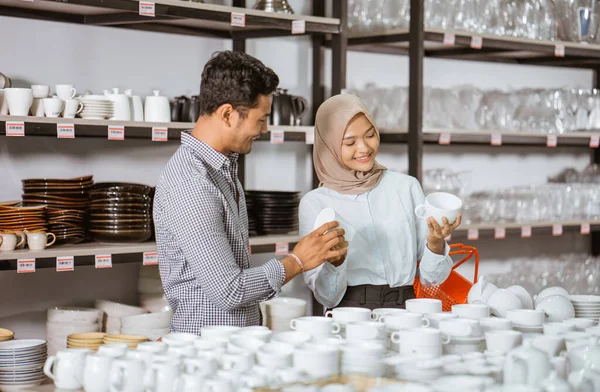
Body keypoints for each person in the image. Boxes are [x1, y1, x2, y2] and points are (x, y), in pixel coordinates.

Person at [153, 51, 348, 335]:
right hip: (207, 352)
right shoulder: (192, 183)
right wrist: (297, 261)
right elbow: (228, 290)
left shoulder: (220, 168)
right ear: (228, 114)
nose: (265, 129)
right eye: (261, 119)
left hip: (232, 345)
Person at [299, 94, 461, 310]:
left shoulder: (405, 187)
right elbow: (327, 298)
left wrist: (435, 243)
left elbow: (432, 279)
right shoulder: (315, 203)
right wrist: (336, 262)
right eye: (350, 142)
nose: (364, 148)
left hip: (406, 307)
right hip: (350, 312)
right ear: (328, 145)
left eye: (370, 135)